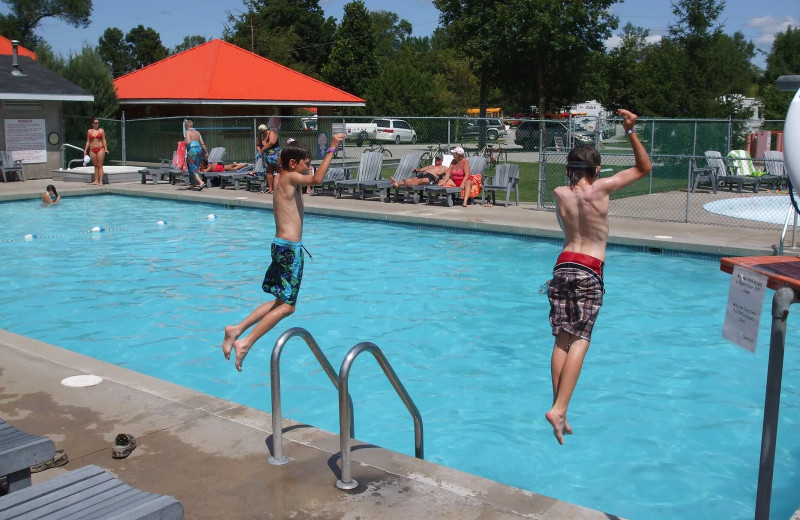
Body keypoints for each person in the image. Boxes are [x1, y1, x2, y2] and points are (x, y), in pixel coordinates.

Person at [545, 109, 652, 445]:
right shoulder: (602, 188)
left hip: (562, 266)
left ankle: (558, 407)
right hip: (590, 268)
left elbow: (566, 230)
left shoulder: (559, 194)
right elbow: (644, 168)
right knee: (581, 338)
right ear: (596, 170)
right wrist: (630, 132)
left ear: (568, 170)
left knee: (562, 337)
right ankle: (560, 408)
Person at [222, 132, 346, 371]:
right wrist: (332, 148)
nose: (309, 168)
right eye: (306, 164)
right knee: (288, 307)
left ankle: (236, 329)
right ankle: (245, 343)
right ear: (293, 164)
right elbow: (318, 180)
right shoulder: (290, 178)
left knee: (279, 301)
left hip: (280, 246)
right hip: (290, 250)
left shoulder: (280, 177)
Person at [184, 119, 208, 190]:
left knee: (191, 167)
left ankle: (201, 182)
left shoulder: (187, 132)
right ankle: (193, 184)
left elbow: (188, 142)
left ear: (187, 126)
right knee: (196, 167)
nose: (185, 127)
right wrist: (206, 152)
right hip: (199, 150)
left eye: (185, 126)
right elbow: (202, 143)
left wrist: (182, 142)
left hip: (192, 150)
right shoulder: (197, 132)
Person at [83, 117, 108, 185]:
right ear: (92, 124)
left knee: (100, 165)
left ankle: (100, 181)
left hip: (100, 149)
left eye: (98, 123)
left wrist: (105, 148)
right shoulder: (89, 131)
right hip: (92, 150)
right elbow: (88, 141)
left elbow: (104, 140)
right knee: (95, 165)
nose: (97, 124)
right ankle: (96, 180)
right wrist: (85, 150)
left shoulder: (101, 130)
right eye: (96, 123)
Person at [257, 123, 280, 193]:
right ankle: (270, 188)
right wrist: (259, 150)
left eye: (264, 132)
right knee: (269, 172)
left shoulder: (271, 133)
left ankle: (278, 188)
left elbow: (271, 142)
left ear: (266, 130)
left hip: (275, 155)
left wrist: (262, 149)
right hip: (267, 156)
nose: (263, 133)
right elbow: (258, 145)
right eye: (261, 132)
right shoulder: (260, 136)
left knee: (278, 171)